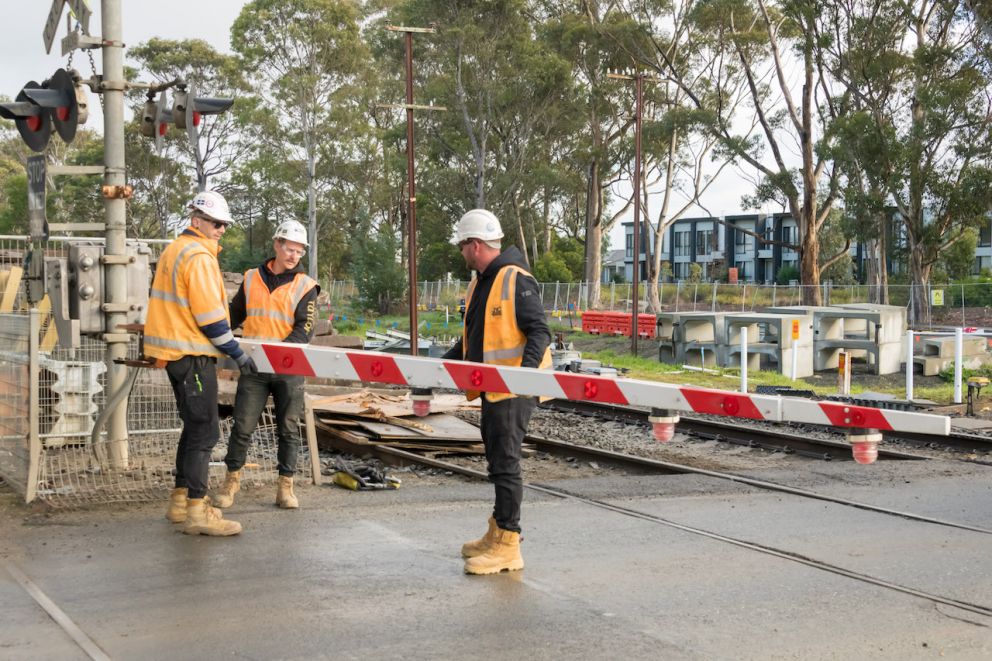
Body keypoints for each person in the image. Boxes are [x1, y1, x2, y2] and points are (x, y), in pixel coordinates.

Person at [443, 208, 551, 575]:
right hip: (494, 388)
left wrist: (524, 377)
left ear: (475, 245)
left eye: (462, 246)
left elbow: (539, 331)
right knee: (497, 462)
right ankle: (498, 530)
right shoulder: (483, 281)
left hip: (513, 391)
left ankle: (509, 544)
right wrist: (435, 369)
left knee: (506, 464)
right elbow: (471, 338)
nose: (461, 253)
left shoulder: (515, 279)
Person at [144, 190, 257, 536]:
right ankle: (197, 510)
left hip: (176, 355)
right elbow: (210, 319)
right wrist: (238, 356)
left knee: (194, 429)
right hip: (192, 356)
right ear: (197, 221)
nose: (222, 229)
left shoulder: (176, 249)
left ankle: (180, 502)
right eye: (216, 223)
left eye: (224, 224)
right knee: (205, 431)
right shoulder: (198, 256)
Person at [213, 220, 320, 510]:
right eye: (289, 249)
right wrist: (214, 336)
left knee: (287, 428)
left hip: (289, 369)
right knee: (243, 427)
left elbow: (304, 329)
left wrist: (280, 355)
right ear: (277, 245)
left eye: (299, 251)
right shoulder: (251, 278)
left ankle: (285, 487)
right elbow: (234, 315)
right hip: (254, 368)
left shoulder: (306, 286)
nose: (294, 256)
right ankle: (230, 482)